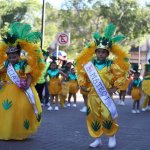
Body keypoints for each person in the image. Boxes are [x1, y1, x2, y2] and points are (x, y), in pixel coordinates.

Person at [75, 23, 130, 148]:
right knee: (93, 116)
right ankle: (97, 139)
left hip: (105, 95)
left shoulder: (111, 64)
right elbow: (81, 74)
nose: (100, 54)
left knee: (107, 115)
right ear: (96, 52)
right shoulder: (89, 64)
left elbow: (121, 76)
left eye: (103, 52)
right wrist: (82, 84)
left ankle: (111, 136)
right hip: (92, 95)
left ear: (107, 54)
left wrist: (114, 88)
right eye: (98, 52)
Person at [0, 22, 45, 140]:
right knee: (7, 111)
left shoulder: (23, 63)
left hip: (22, 89)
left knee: (22, 110)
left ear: (18, 55)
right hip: (8, 89)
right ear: (7, 57)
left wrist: (28, 84)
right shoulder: (6, 64)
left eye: (14, 56)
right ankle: (8, 131)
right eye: (10, 57)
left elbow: (29, 74)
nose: (12, 59)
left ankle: (19, 131)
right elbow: (1, 72)